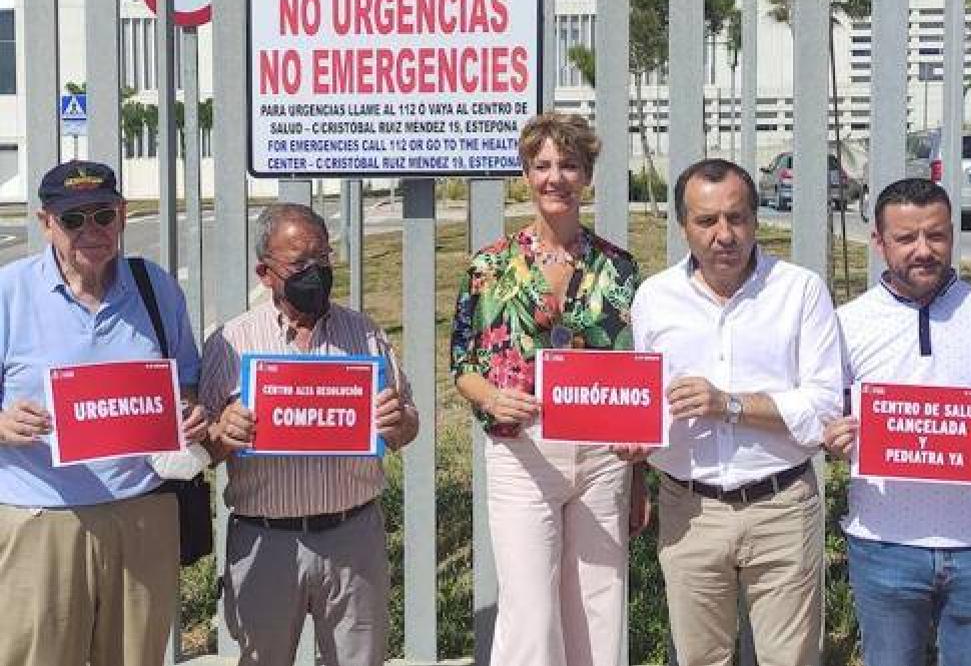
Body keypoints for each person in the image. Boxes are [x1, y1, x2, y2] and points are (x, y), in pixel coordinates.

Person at [623, 158, 844, 666]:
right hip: (690, 510)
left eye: (737, 217)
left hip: (782, 505)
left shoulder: (799, 290)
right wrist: (635, 444)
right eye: (706, 221)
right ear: (684, 228)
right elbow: (642, 402)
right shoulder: (655, 298)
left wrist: (730, 404)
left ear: (756, 219)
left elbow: (824, 406)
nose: (724, 234)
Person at [450, 112, 646, 666]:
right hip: (523, 451)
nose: (555, 176)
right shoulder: (489, 266)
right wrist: (488, 397)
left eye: (568, 164)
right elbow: (461, 362)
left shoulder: (620, 269)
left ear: (587, 174)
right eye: (542, 165)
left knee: (598, 607)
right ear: (526, 173)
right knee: (530, 612)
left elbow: (636, 373)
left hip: (603, 456)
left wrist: (639, 477)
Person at [823, 178, 971, 666]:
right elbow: (829, 415)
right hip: (883, 542)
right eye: (906, 238)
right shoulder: (846, 323)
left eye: (936, 236)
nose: (923, 250)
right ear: (879, 243)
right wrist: (835, 436)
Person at [0, 160, 207, 666]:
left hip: (141, 514)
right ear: (45, 222)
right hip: (41, 517)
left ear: (122, 215)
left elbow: (187, 384)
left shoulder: (155, 288)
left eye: (103, 216)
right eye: (73, 220)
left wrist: (190, 415)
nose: (91, 231)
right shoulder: (9, 293)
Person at [201, 202, 419, 666]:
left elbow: (409, 424)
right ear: (265, 272)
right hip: (266, 541)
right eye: (299, 264)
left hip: (352, 535)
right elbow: (202, 449)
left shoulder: (365, 334)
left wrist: (398, 421)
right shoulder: (231, 342)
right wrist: (224, 433)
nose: (315, 274)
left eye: (323, 260)